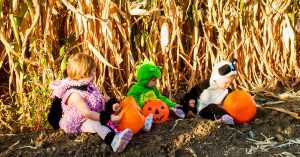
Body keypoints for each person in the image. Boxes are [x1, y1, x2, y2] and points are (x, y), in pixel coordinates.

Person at [49, 53, 132, 152]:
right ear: (84, 73)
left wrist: (112, 104)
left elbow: (100, 97)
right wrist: (108, 117)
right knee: (97, 124)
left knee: (113, 115)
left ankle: (136, 125)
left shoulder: (88, 86)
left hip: (91, 115)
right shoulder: (74, 94)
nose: (95, 73)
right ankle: (114, 142)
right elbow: (87, 113)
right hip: (80, 123)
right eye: (93, 71)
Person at [181, 59, 237, 125]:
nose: (228, 85)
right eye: (226, 83)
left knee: (224, 107)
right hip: (203, 109)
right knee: (212, 107)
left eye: (230, 83)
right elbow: (193, 93)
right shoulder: (205, 86)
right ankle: (224, 118)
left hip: (219, 108)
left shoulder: (226, 89)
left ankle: (228, 116)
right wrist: (190, 104)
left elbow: (233, 97)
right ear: (217, 77)